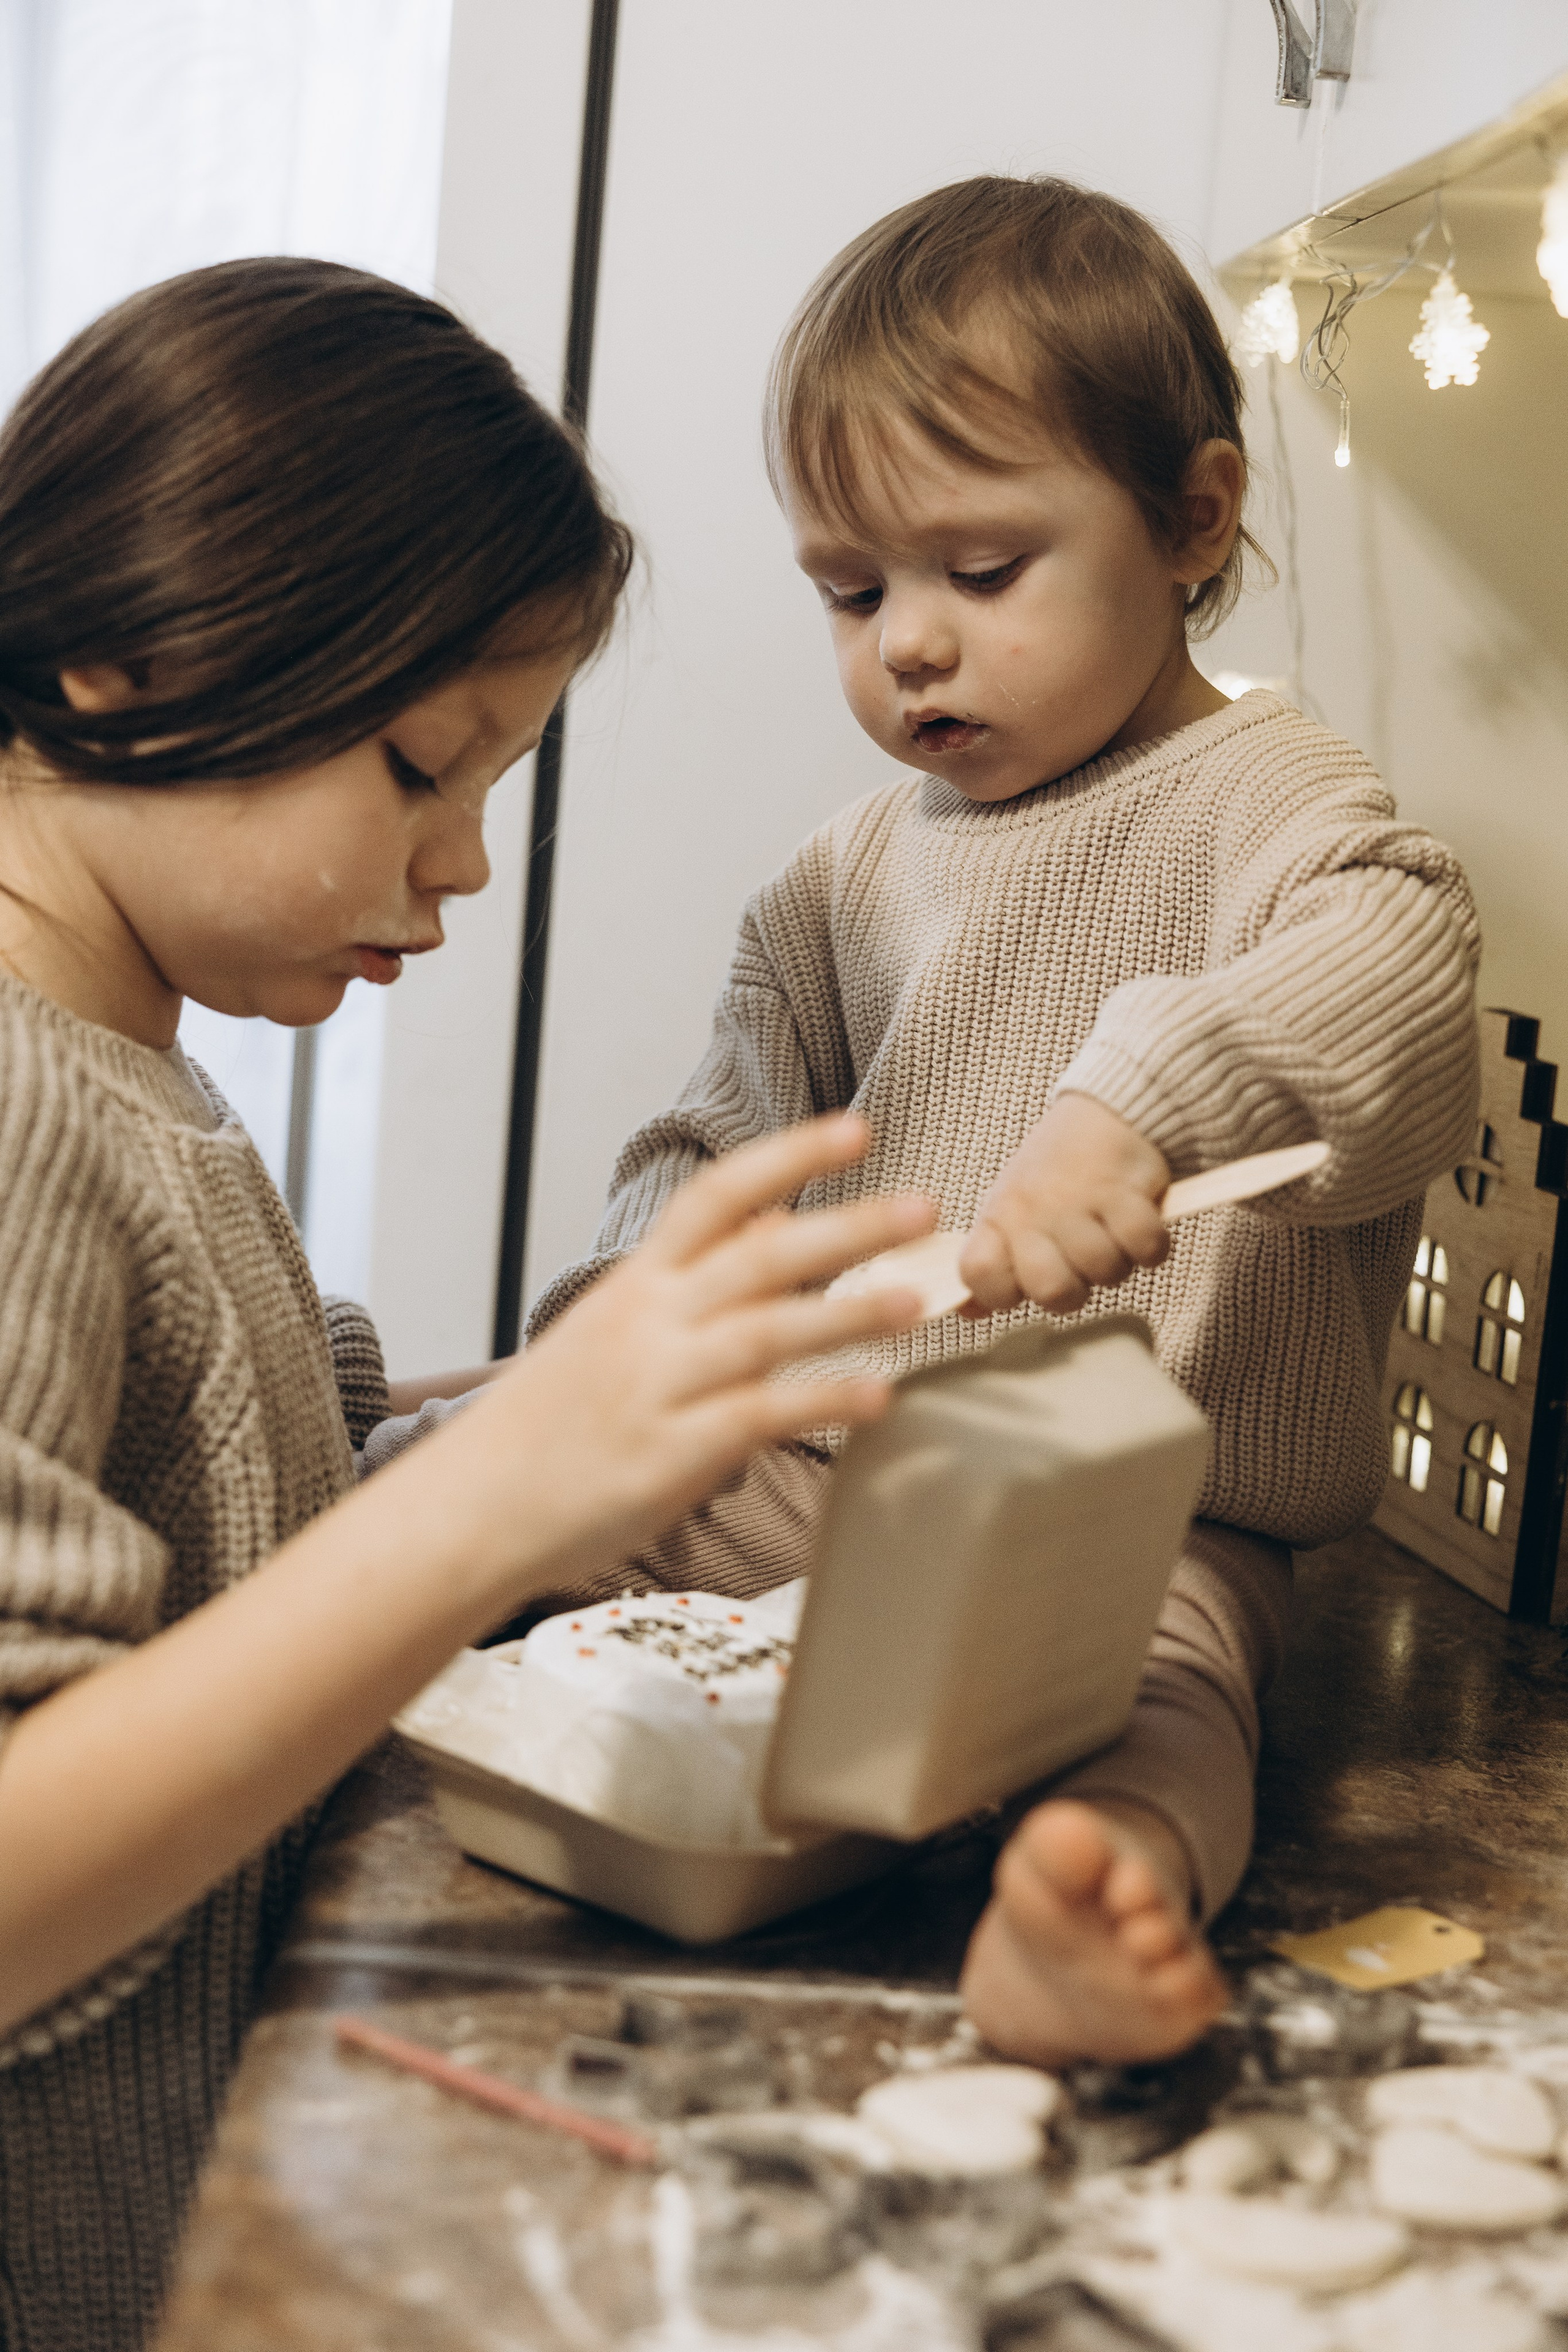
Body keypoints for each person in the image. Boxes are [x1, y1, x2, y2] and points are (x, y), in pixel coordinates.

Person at [0, 258, 932, 2352]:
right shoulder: (16, 1111)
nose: (466, 863)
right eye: (425, 764)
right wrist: (495, 1501)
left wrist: (599, 1401)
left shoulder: (126, 1074)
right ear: (125, 663)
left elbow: (244, 1478)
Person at [514, 178, 1482, 2068]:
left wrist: (1139, 1106)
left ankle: (1089, 1898)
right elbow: (709, 1144)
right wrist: (619, 1327)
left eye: (980, 569)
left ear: (1193, 521)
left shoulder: (1272, 797)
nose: (909, 645)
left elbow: (1402, 972)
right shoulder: (838, 876)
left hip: (1131, 1521)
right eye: (853, 592)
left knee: (1168, 1712)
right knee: (465, 1512)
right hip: (798, 1471)